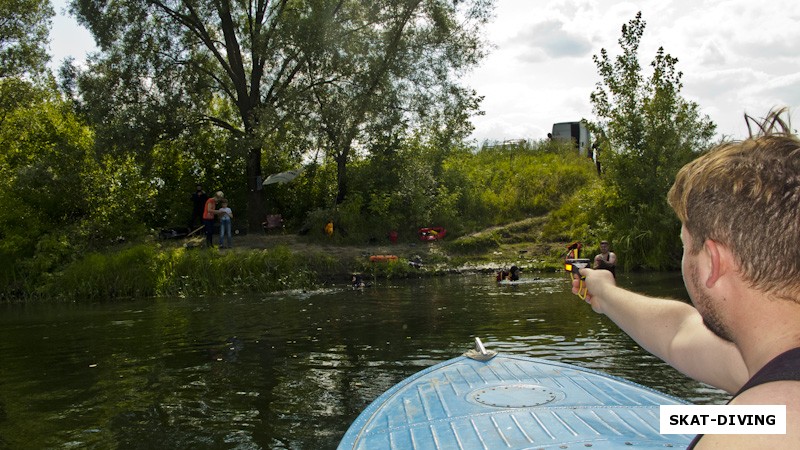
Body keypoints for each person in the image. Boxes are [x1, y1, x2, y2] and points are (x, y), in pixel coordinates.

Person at [571, 109, 800, 448]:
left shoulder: (753, 437)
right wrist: (604, 294)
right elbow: (680, 333)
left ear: (712, 262)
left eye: (685, 246)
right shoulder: (769, 361)